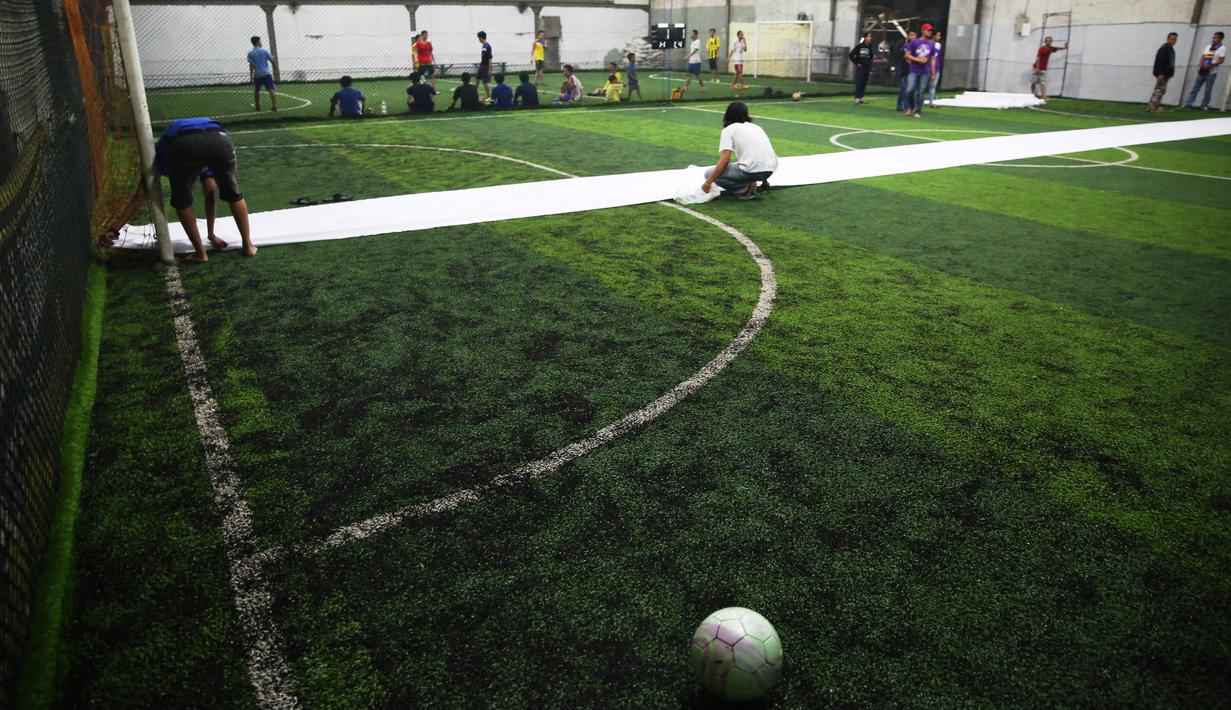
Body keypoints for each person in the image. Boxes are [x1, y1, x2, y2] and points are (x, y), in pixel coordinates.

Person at [101, 117, 255, 261]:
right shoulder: (173, 155)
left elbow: (141, 193)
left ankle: (200, 254)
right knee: (234, 194)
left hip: (184, 142)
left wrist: (115, 229)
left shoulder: (159, 156)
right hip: (220, 138)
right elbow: (210, 192)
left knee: (182, 202)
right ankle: (248, 246)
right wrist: (211, 236)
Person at [700, 101, 778, 200]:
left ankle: (745, 188)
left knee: (708, 174)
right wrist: (764, 181)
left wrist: (707, 183)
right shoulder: (756, 127)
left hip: (752, 171)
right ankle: (750, 183)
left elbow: (725, 160)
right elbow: (763, 154)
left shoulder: (728, 130)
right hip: (771, 169)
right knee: (746, 163)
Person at [1184, 31, 1225, 110]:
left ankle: (1204, 104)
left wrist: (1211, 65)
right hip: (1202, 70)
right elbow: (1203, 56)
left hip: (1212, 72)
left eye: (1215, 38)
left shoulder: (1222, 48)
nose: (1213, 39)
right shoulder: (1208, 46)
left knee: (1208, 89)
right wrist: (1200, 64)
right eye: (1213, 37)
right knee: (1195, 88)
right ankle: (1188, 104)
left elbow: (1221, 60)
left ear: (1220, 39)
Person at [903, 24, 937, 117]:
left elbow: (933, 58)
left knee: (921, 91)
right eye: (928, 30)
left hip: (925, 71)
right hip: (914, 69)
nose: (930, 32)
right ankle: (911, 106)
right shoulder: (914, 42)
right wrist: (918, 60)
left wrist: (933, 72)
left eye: (931, 31)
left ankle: (918, 111)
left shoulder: (932, 43)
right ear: (922, 31)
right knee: (909, 89)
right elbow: (907, 55)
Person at [1148, 32, 1179, 113]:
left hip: (1166, 74)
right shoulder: (1164, 48)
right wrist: (1160, 74)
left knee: (1159, 90)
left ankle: (1151, 107)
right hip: (1162, 74)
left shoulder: (1170, 49)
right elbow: (1160, 62)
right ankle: (1153, 108)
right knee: (1159, 91)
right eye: (1172, 39)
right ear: (1168, 39)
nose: (1173, 41)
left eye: (1175, 39)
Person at [1031, 35, 1068, 101]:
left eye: (1050, 41)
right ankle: (1031, 95)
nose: (1049, 42)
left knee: (1043, 82)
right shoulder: (1041, 49)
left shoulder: (1050, 48)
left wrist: (1065, 47)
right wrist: (1037, 68)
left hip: (1043, 69)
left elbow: (1057, 48)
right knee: (1034, 82)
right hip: (1036, 68)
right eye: (1048, 41)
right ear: (1045, 41)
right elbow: (1038, 58)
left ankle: (1043, 96)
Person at [247, 36, 277, 111]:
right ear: (257, 42)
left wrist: (251, 77)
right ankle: (274, 105)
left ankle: (257, 106)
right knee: (271, 89)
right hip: (266, 73)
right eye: (260, 41)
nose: (261, 43)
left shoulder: (250, 53)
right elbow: (271, 60)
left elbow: (251, 66)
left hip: (257, 74)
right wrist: (275, 67)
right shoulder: (264, 51)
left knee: (257, 90)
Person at [893, 29, 916, 111]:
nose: (912, 37)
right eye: (911, 35)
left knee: (910, 89)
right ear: (908, 36)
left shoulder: (915, 46)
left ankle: (907, 106)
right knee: (905, 88)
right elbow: (906, 58)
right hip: (904, 69)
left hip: (912, 70)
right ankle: (902, 106)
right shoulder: (905, 45)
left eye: (914, 35)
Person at [849, 31, 873, 104]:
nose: (869, 38)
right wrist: (857, 63)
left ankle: (861, 97)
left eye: (870, 36)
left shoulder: (870, 47)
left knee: (864, 83)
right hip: (861, 67)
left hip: (867, 67)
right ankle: (856, 98)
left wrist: (869, 63)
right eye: (868, 36)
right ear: (865, 38)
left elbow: (871, 56)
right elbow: (851, 55)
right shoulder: (859, 46)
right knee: (859, 82)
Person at [927, 30, 944, 107]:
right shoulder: (934, 44)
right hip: (931, 67)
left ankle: (931, 102)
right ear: (933, 36)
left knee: (931, 86)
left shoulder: (935, 44)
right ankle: (931, 102)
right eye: (938, 35)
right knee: (932, 86)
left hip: (934, 66)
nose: (939, 37)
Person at [477, 31, 494, 99]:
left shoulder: (487, 46)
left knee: (485, 82)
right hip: (482, 65)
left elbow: (489, 58)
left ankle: (488, 97)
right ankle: (473, 95)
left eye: (479, 38)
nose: (478, 40)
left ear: (481, 38)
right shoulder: (484, 46)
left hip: (485, 66)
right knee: (477, 80)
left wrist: (490, 69)